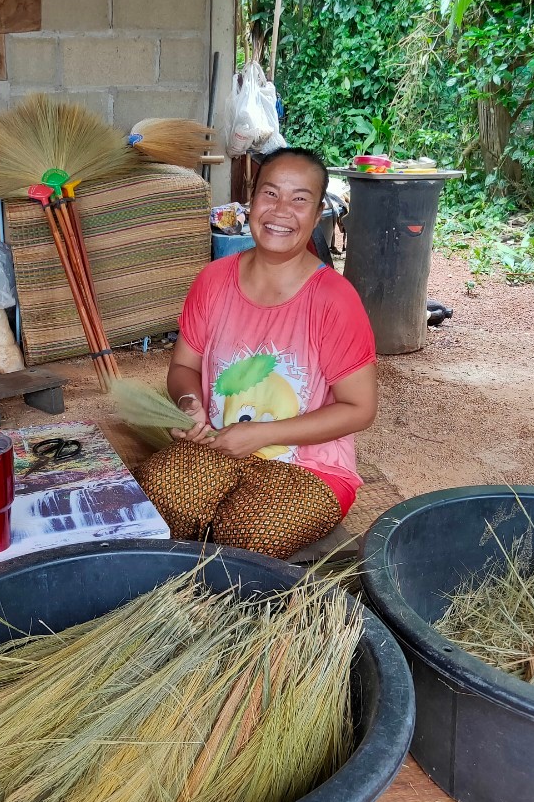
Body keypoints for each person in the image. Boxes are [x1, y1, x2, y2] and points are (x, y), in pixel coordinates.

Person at [137, 147, 378, 559]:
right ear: (251, 201)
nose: (281, 210)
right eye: (271, 194)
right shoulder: (213, 281)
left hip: (309, 467)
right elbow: (183, 366)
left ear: (318, 211)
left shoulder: (335, 300)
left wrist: (261, 435)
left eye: (299, 199)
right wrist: (189, 403)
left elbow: (359, 409)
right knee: (153, 500)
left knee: (248, 537)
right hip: (217, 444)